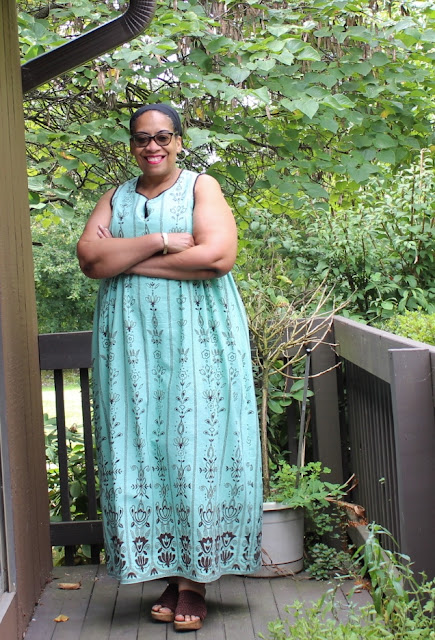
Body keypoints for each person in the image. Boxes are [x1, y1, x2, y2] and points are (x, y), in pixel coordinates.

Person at [77, 103, 263, 631]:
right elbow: (90, 260)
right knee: (143, 450)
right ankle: (170, 572)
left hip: (197, 341)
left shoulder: (202, 187)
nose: (152, 146)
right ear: (132, 145)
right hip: (129, 349)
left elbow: (217, 257)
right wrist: (159, 242)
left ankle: (194, 583)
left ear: (179, 141)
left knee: (195, 447)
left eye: (162, 136)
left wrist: (125, 259)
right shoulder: (113, 197)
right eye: (142, 138)